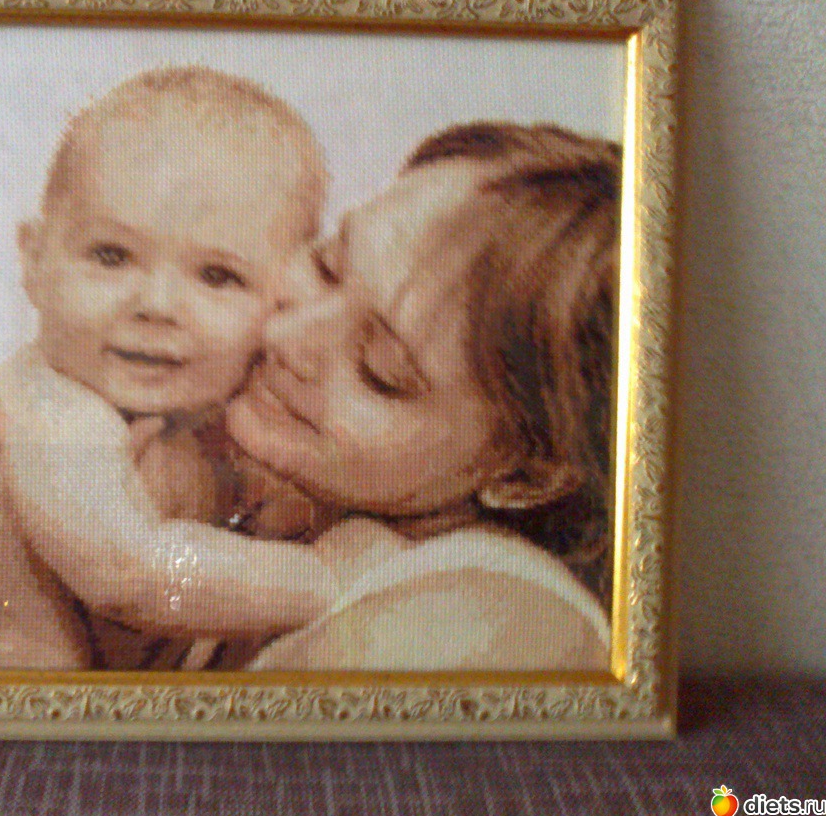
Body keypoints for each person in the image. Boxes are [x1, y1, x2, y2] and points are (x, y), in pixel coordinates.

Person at [0, 67, 337, 670]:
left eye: (217, 276)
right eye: (111, 256)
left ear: (287, 301)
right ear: (35, 261)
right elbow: (130, 575)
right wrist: (329, 580)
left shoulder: (219, 419)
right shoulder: (49, 411)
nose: (156, 305)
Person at [225, 122, 619, 670]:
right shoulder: (294, 506)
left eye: (379, 372)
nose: (288, 338)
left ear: (524, 475)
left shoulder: (494, 619)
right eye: (328, 266)